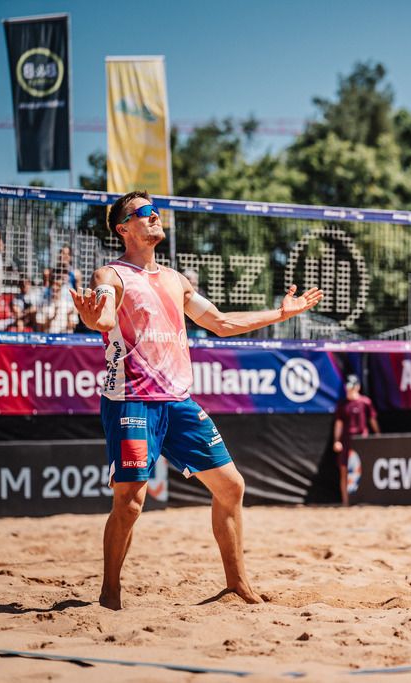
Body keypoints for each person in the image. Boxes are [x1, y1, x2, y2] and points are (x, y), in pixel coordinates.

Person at [69, 190, 322, 610]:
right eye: (143, 212)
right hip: (132, 399)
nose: (154, 216)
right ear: (123, 228)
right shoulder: (110, 275)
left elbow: (220, 323)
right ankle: (110, 593)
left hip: (177, 400)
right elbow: (106, 315)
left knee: (231, 487)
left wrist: (280, 314)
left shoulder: (175, 279)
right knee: (130, 503)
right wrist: (94, 318)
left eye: (155, 210)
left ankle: (237, 584)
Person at [332, 374, 380, 507]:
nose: (349, 388)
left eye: (352, 385)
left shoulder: (365, 402)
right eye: (347, 385)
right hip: (346, 441)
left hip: (362, 442)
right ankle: (346, 503)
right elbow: (339, 424)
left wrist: (378, 436)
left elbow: (372, 420)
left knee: (365, 471)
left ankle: (364, 501)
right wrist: (336, 441)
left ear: (358, 387)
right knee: (344, 472)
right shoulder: (342, 404)